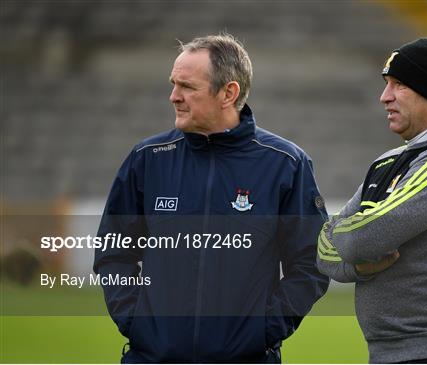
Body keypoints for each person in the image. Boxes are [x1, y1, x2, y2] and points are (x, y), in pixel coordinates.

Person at [94, 33, 329, 363]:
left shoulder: (285, 164)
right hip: (152, 357)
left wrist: (264, 330)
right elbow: (113, 251)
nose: (173, 96)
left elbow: (311, 263)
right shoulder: (148, 158)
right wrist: (137, 323)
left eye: (187, 87)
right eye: (174, 84)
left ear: (228, 93)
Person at [317, 38, 427, 363]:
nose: (385, 97)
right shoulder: (390, 161)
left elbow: (357, 239)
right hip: (390, 355)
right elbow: (323, 250)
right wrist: (360, 265)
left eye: (399, 85)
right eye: (386, 85)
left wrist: (350, 245)